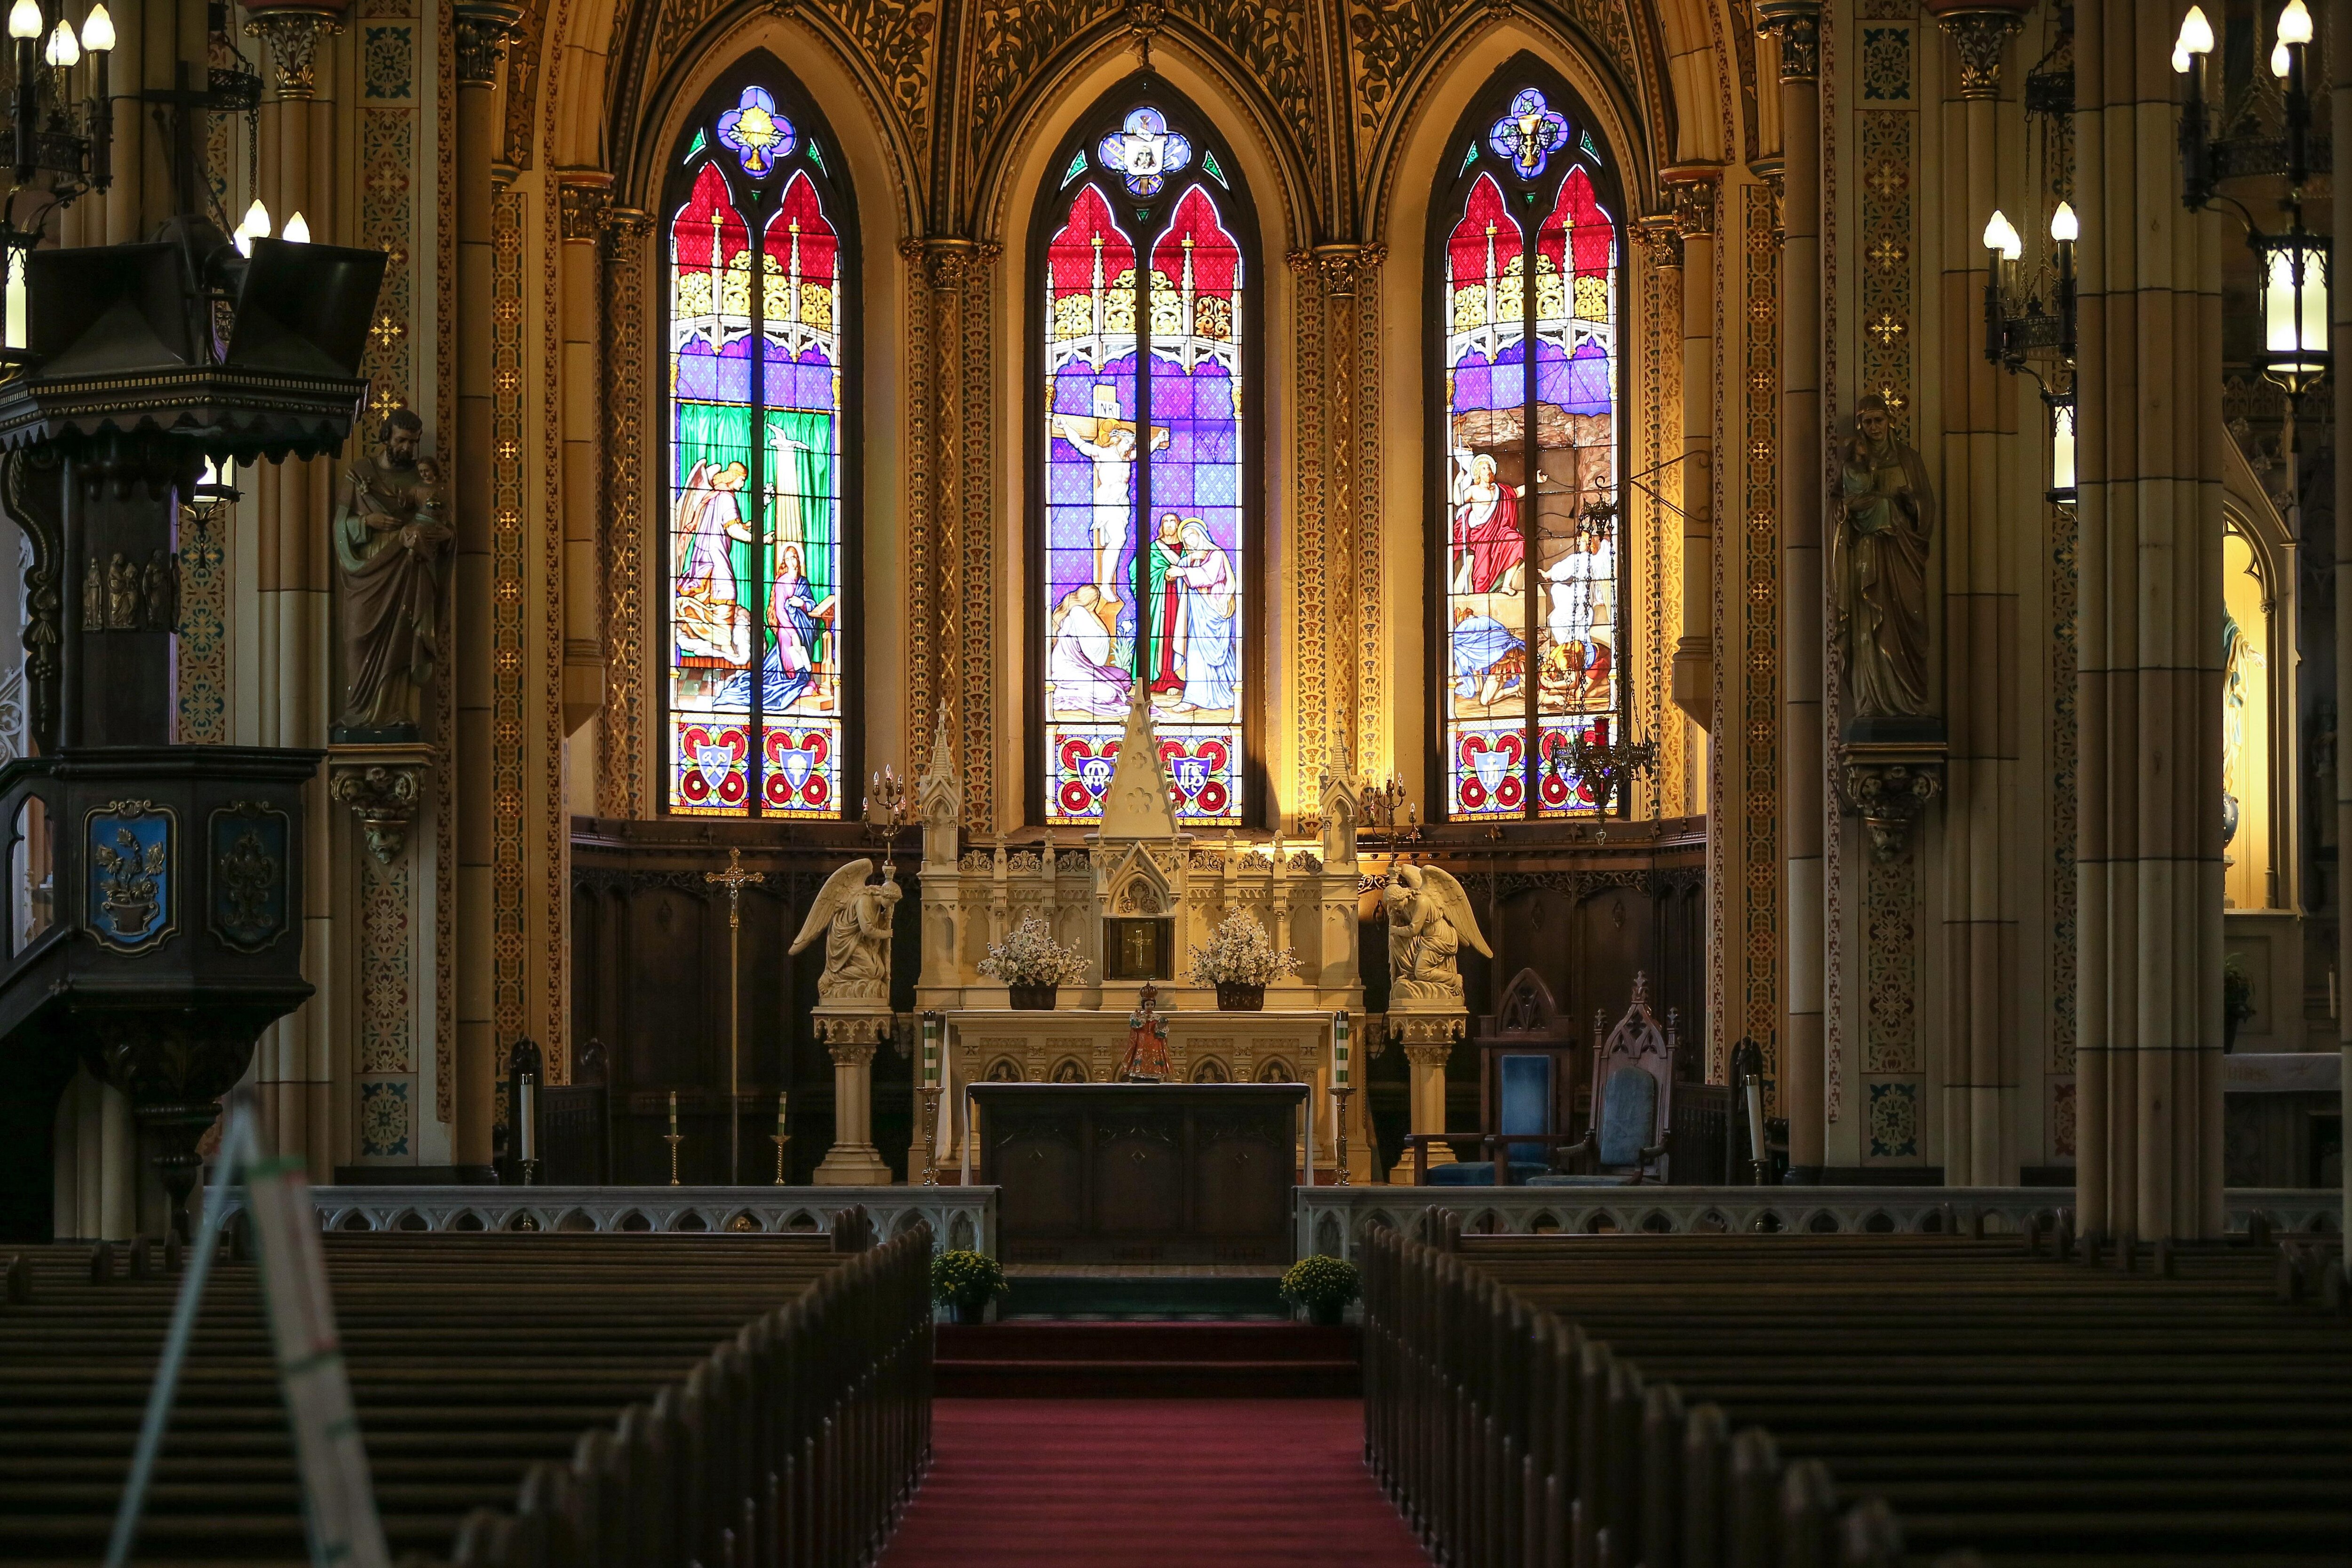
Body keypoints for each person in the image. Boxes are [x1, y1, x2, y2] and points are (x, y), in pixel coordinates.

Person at [333, 408, 453, 736]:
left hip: (409, 571)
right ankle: (358, 712)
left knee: (403, 637)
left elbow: (444, 526)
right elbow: (339, 525)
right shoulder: (360, 472)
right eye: (401, 441)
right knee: (359, 638)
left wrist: (436, 536)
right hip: (368, 572)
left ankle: (399, 712)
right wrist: (366, 523)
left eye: (413, 443)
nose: (408, 449)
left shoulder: (422, 477)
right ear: (386, 437)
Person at [1833, 395, 1935, 718]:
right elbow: (1839, 509)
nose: (1874, 428)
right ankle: (1872, 699)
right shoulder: (1853, 466)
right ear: (1861, 427)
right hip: (1868, 555)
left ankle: (1908, 699)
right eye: (1867, 422)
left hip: (1902, 552)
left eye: (1879, 420)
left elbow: (1927, 507)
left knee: (1905, 618)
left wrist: (1910, 503)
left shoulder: (1909, 459)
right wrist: (1845, 512)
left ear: (1890, 422)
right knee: (1869, 623)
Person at [672, 459, 755, 667]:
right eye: (742, 480)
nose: (743, 485)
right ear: (733, 477)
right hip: (715, 556)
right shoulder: (726, 498)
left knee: (707, 596)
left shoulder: (714, 495)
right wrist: (760, 539)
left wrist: (748, 524)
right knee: (725, 594)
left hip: (703, 555)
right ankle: (724, 643)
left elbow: (729, 525)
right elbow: (733, 530)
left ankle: (702, 633)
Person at [1169, 518, 1239, 713]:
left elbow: (1208, 577)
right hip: (1197, 613)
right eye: (1184, 538)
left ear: (1201, 534)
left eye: (1191, 534)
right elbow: (1181, 571)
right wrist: (1183, 566)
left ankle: (1228, 691)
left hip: (1214, 610)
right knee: (1196, 651)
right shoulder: (1191, 559)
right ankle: (1193, 698)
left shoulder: (1216, 554)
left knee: (1221, 654)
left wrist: (1182, 570)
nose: (1189, 541)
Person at [1048, 585, 1131, 717]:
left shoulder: (1079, 611)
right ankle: (1059, 693)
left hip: (1082, 667)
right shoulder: (1078, 612)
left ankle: (1069, 690)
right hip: (1067, 670)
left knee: (1124, 679)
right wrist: (1092, 612)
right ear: (1092, 601)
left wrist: (1092, 612)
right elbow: (1096, 654)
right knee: (1108, 694)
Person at [1451, 449, 1525, 595]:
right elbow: (1458, 501)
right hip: (1481, 538)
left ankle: (1506, 585)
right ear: (1478, 472)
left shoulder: (1499, 490)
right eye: (1484, 468)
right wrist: (1456, 483)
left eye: (1489, 468)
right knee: (1482, 574)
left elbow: (1516, 493)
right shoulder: (1473, 490)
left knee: (1518, 542)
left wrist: (1534, 481)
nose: (1487, 471)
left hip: (1498, 532)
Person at [1144, 511, 1188, 697]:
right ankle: (1159, 678)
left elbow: (1193, 569)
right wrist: (1163, 574)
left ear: (1178, 526)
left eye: (1173, 522)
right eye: (1166, 522)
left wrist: (1180, 573)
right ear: (1161, 527)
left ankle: (1175, 677)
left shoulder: (1187, 547)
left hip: (1181, 599)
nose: (1169, 525)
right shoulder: (1155, 548)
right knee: (1162, 635)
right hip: (1160, 599)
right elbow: (1137, 571)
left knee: (1178, 635)